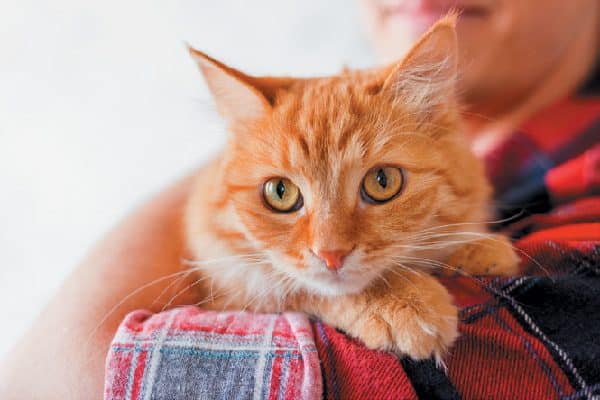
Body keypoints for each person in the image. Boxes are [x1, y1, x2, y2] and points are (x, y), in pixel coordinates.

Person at [1, 1, 598, 398]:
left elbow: (66, 380)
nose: (328, 249)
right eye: (283, 193)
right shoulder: (473, 157)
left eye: (381, 184)